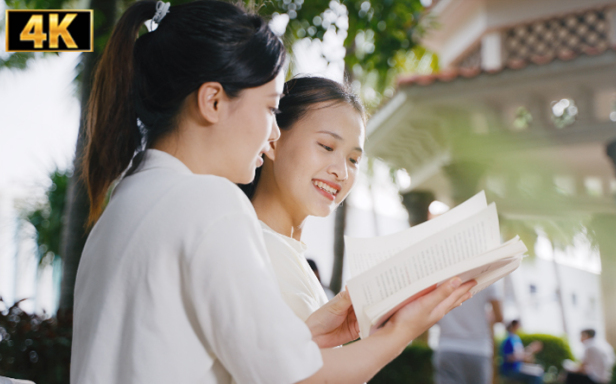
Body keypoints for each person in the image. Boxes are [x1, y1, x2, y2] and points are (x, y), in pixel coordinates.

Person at [71, 2, 476, 383]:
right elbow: (296, 378)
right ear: (212, 101)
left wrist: (316, 328)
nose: (274, 132)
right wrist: (402, 330)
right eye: (269, 108)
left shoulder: (125, 200)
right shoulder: (209, 203)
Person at [239, 76, 367, 321]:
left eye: (353, 160)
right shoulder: (254, 249)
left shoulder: (291, 257)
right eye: (326, 146)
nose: (341, 172)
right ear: (272, 141)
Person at [433, 283, 504, 384]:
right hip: (478, 349)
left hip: (448, 347)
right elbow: (499, 317)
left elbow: (433, 316)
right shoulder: (489, 277)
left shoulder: (443, 280)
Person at [500, 320, 545, 384]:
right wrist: (522, 356)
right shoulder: (508, 340)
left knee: (539, 371)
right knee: (536, 376)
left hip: (519, 367)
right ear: (515, 326)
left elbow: (522, 355)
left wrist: (531, 349)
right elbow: (507, 357)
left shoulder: (517, 338)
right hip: (511, 370)